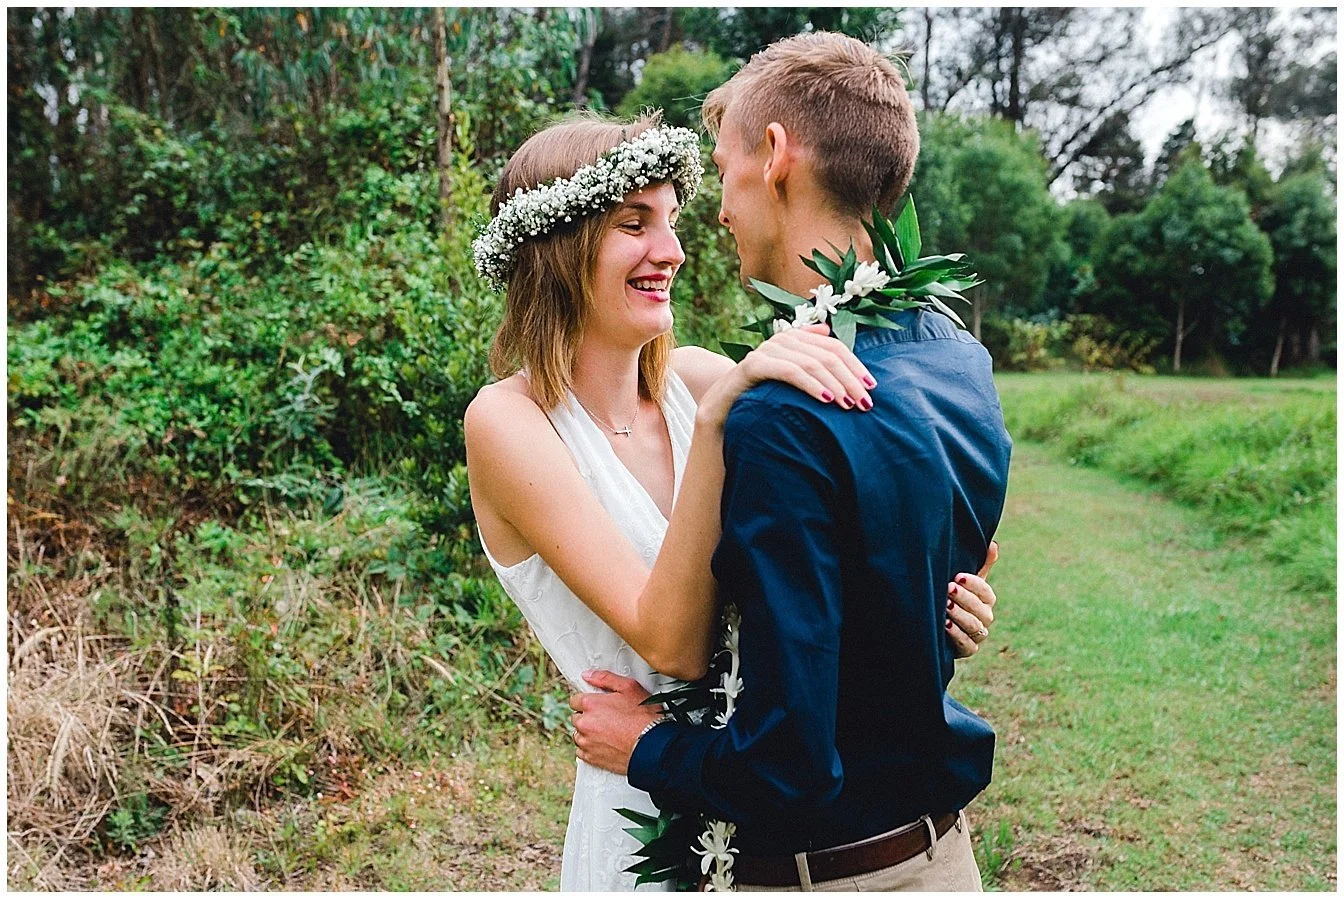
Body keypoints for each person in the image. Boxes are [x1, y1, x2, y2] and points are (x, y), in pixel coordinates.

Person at [464, 110, 1001, 891]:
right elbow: (670, 644)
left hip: (770, 800)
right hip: (643, 800)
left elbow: (855, 522)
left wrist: (940, 603)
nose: (672, 251)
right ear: (558, 246)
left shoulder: (698, 377)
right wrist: (718, 423)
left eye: (674, 221)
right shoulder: (510, 422)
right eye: (633, 223)